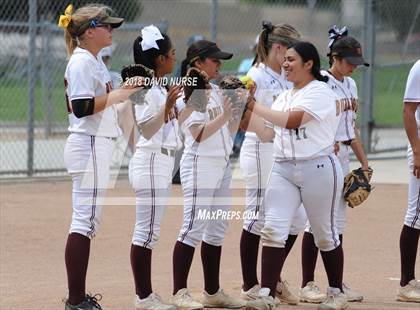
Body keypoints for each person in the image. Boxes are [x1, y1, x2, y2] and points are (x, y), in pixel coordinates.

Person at [244, 41, 347, 310]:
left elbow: (293, 121)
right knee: (273, 229)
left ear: (309, 63)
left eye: (291, 59)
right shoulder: (284, 95)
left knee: (324, 233)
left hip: (318, 168)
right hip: (283, 168)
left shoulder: (321, 92)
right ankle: (267, 293)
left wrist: (253, 104)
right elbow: (267, 132)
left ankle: (337, 292)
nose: (285, 64)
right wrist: (240, 107)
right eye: (284, 59)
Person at [58, 3, 140, 310]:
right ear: (89, 32)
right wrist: (120, 94)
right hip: (88, 143)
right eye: (107, 26)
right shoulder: (81, 62)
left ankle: (77, 299)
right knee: (84, 222)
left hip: (95, 144)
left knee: (86, 222)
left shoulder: (93, 60)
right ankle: (76, 300)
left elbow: (99, 103)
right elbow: (81, 107)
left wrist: (124, 93)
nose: (112, 30)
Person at [171, 40, 246, 310]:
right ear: (198, 63)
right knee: (192, 228)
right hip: (200, 165)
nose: (219, 65)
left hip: (222, 166)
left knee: (216, 230)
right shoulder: (190, 92)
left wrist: (239, 102)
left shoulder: (214, 89)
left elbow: (227, 128)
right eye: (214, 60)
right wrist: (226, 114)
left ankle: (212, 292)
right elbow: (198, 134)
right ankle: (179, 292)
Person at [300, 26, 370, 304]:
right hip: (321, 157)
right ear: (335, 58)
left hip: (343, 158)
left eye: (357, 63)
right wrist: (323, 144)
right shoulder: (321, 83)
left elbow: (351, 129)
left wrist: (364, 163)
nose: (353, 67)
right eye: (350, 62)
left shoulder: (351, 85)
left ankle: (335, 283)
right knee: (315, 222)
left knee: (336, 223)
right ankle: (307, 283)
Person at [238, 22, 306, 305]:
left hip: (280, 151)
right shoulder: (256, 76)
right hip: (259, 149)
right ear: (277, 48)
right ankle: (251, 285)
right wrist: (262, 130)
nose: (292, 59)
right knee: (257, 216)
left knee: (297, 218)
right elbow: (239, 112)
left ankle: (272, 277)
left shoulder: (283, 77)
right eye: (289, 52)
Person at [128, 25, 183, 310]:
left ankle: (145, 295)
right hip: (150, 159)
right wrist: (166, 108)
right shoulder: (146, 87)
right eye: (171, 54)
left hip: (161, 161)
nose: (174, 58)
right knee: (145, 232)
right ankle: (143, 297)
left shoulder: (158, 85)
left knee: (151, 232)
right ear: (160, 58)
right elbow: (146, 130)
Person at [398, 59, 420, 303]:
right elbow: (408, 112)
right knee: (416, 214)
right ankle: (406, 282)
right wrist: (417, 151)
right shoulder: (419, 68)